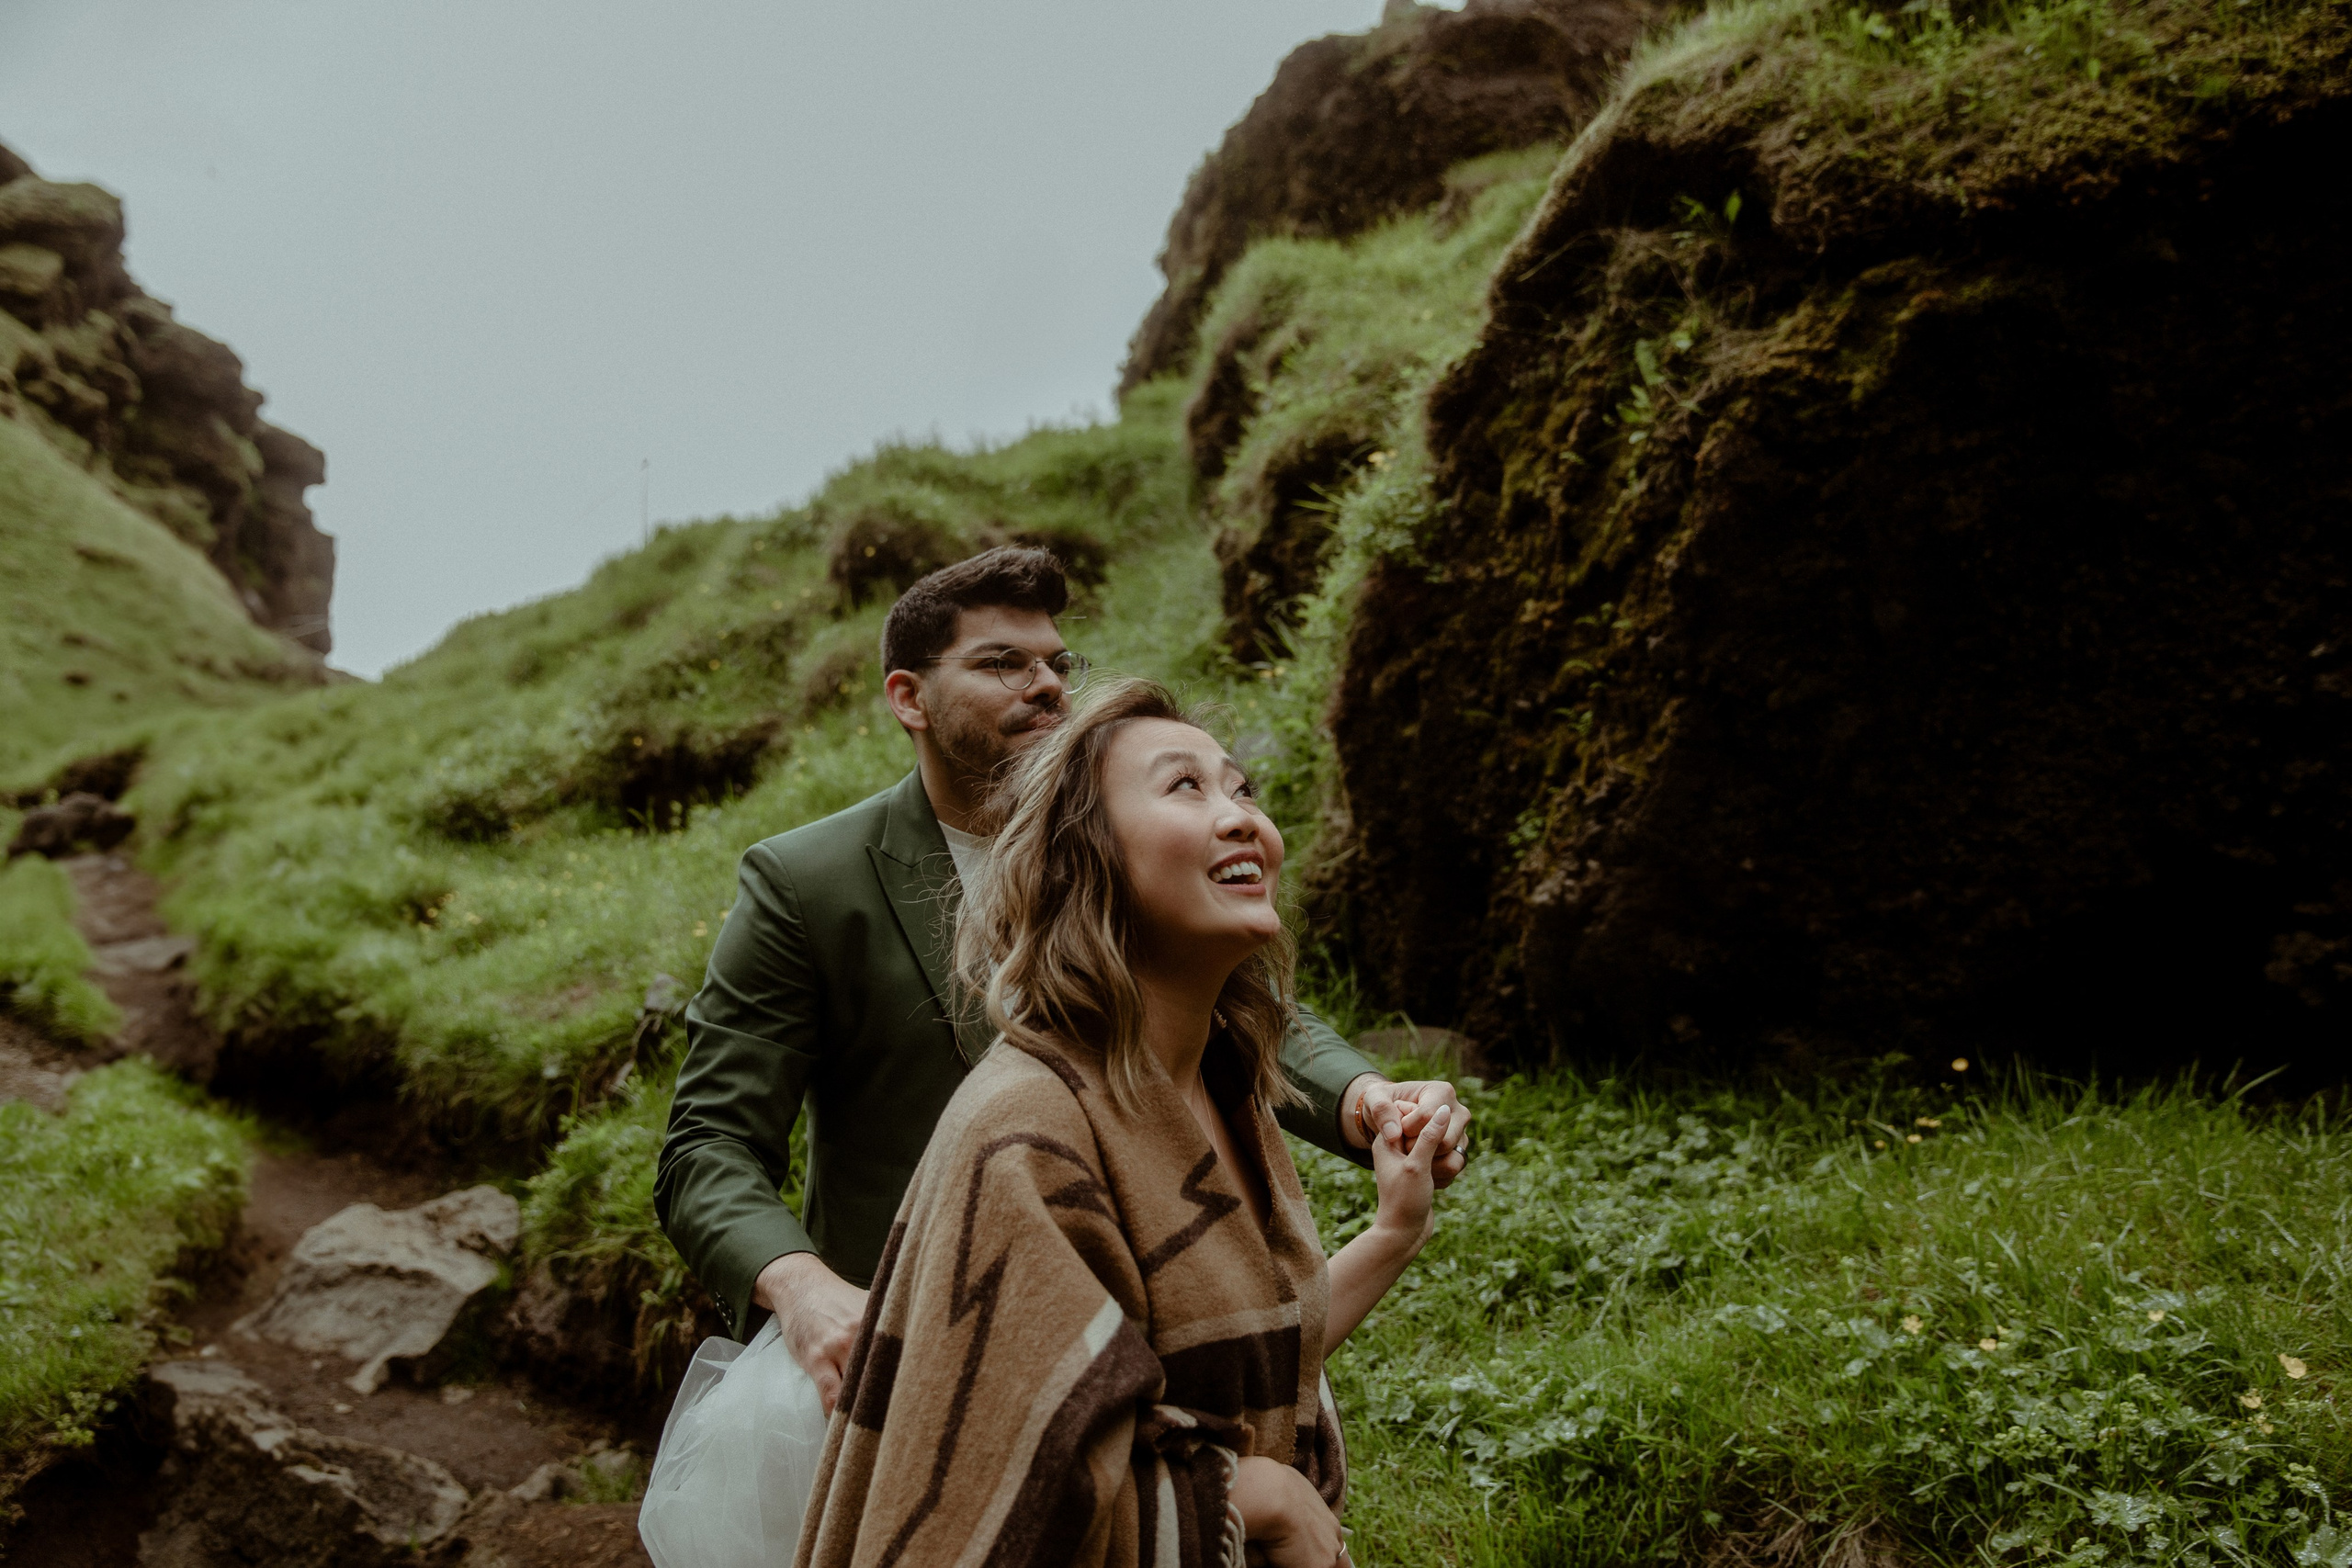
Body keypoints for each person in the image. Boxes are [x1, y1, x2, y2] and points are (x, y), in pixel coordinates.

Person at [656, 546, 1469, 1412]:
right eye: (1002, 662)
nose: (1045, 683)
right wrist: (804, 1290)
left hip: (1165, 1336)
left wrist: (1366, 1097)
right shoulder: (805, 881)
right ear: (909, 698)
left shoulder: (1128, 843)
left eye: (1056, 662)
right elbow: (708, 1143)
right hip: (917, 1365)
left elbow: (1223, 1004)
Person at [797, 677, 1444, 1568]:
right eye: (1185, 786)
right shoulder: (1029, 1132)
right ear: (1082, 858)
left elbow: (1234, 1372)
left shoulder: (1222, 1088)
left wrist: (1394, 1232)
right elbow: (994, 1506)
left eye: (1241, 788)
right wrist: (1253, 1497)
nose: (1240, 815)